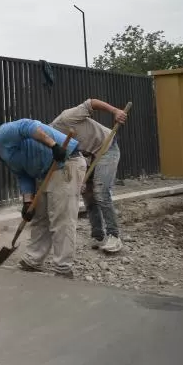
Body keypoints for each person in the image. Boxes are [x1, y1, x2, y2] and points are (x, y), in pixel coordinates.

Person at [0, 119, 86, 278]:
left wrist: (54, 146)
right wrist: (27, 201)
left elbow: (28, 127)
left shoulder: (2, 134)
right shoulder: (5, 155)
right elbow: (23, 175)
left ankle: (63, 269)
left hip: (65, 162)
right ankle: (33, 261)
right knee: (39, 218)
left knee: (61, 218)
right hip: (46, 173)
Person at [51, 99, 128, 254]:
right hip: (88, 155)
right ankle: (98, 236)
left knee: (100, 191)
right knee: (88, 194)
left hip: (107, 147)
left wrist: (115, 111)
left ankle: (114, 236)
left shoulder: (67, 118)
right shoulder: (53, 143)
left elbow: (91, 103)